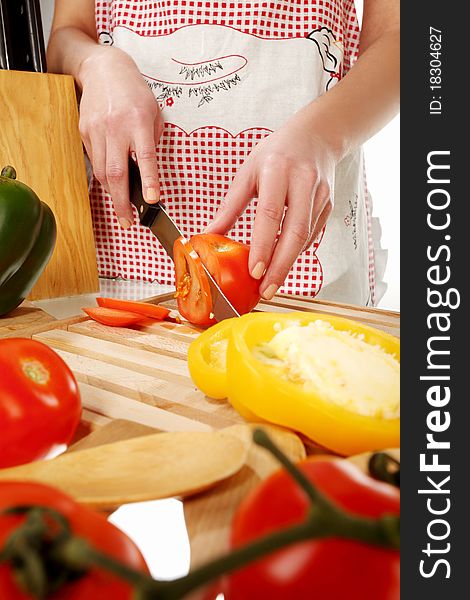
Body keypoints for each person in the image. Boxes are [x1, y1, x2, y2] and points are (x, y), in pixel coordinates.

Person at [47, 0, 399, 306]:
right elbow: (67, 33)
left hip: (304, 257)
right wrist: (96, 64)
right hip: (128, 255)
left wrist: (321, 136)